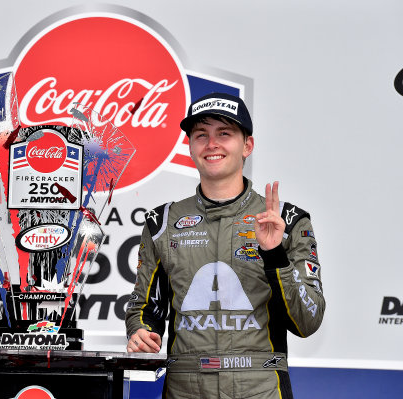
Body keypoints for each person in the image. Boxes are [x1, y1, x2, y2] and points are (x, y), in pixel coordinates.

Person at [124, 93, 325, 399]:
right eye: (200, 135)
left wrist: (275, 254)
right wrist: (140, 333)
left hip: (261, 388)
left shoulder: (288, 221)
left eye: (224, 133)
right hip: (184, 389)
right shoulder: (161, 223)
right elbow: (144, 307)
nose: (211, 144)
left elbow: (307, 321)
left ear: (248, 145)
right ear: (190, 146)